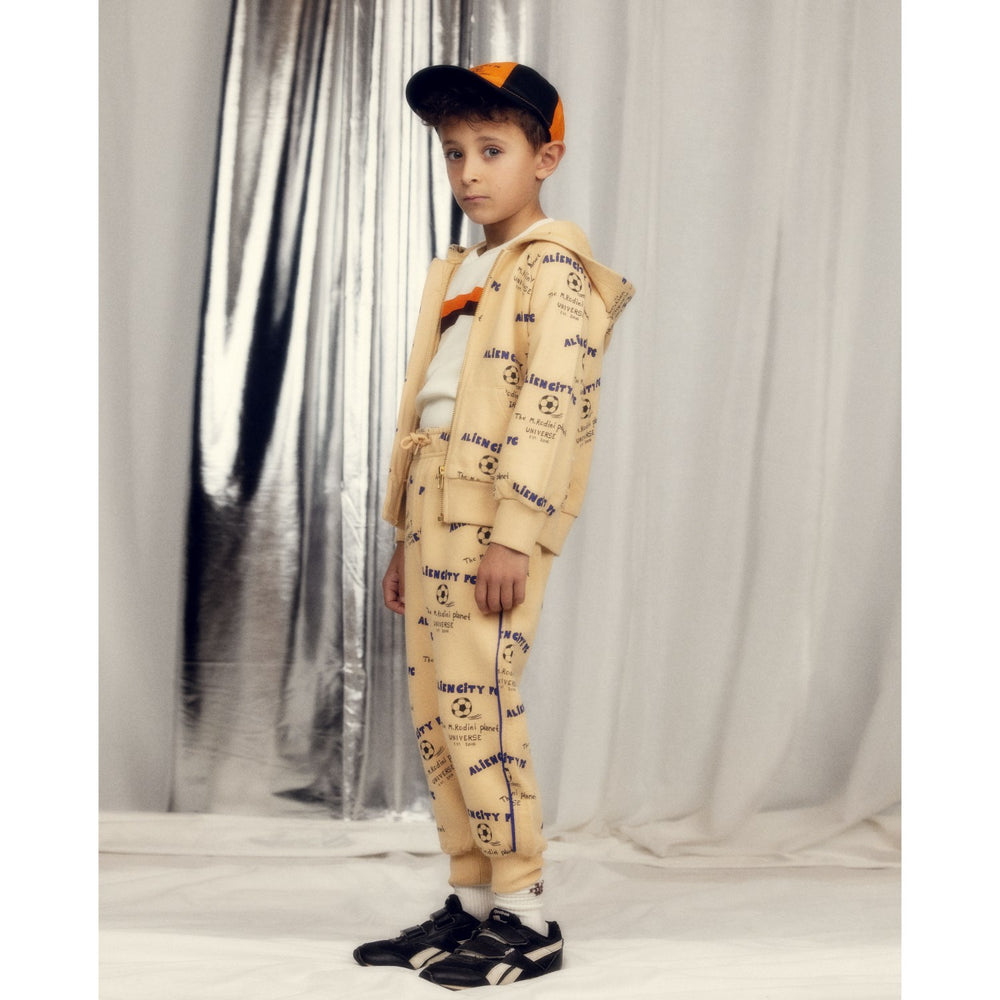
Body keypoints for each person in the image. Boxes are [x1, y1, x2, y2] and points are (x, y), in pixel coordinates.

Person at [354, 61, 634, 989]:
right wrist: (403, 531)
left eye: (491, 150)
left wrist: (515, 530)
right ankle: (472, 898)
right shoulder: (463, 268)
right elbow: (432, 403)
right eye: (453, 153)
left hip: (493, 513)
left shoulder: (555, 267)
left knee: (484, 707)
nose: (469, 172)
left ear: (545, 157)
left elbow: (550, 406)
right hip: (433, 505)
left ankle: (528, 911)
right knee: (439, 712)